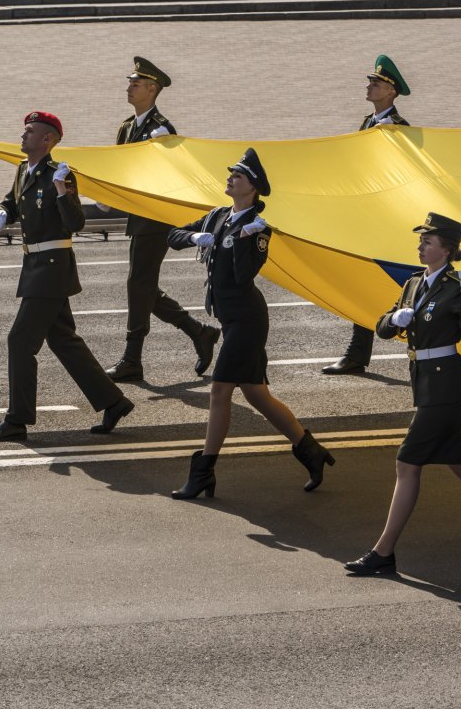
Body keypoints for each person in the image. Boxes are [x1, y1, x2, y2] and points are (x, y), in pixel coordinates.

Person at [344, 214, 461, 576]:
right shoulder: (413, 283)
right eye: (421, 241)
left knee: (406, 463)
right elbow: (381, 326)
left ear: (447, 249)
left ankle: (383, 552)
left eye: (427, 241)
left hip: (446, 385)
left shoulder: (457, 286)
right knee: (460, 464)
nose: (420, 246)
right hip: (424, 380)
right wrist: (394, 321)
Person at [167, 148, 335, 498]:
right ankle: (310, 451)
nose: (230, 178)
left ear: (252, 188)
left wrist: (245, 244)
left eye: (238, 176)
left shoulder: (257, 229)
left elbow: (243, 277)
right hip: (231, 319)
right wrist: (195, 237)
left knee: (219, 390)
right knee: (257, 395)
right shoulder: (217, 216)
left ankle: (203, 472)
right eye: (230, 173)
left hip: (248, 319)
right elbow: (173, 236)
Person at [0, 112, 134, 441]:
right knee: (63, 340)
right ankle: (113, 401)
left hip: (51, 266)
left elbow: (76, 223)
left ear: (47, 140)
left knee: (20, 340)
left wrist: (63, 190)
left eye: (30, 131)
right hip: (34, 266)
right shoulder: (23, 170)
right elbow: (11, 202)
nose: (23, 135)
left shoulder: (59, 175)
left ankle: (17, 420)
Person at [102, 57, 220, 383]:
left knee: (138, 283)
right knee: (144, 286)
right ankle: (199, 332)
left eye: (135, 83)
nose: (129, 87)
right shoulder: (127, 127)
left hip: (156, 219)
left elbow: (173, 175)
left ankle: (132, 358)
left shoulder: (162, 129)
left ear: (152, 89)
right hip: (138, 216)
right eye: (130, 82)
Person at [322, 55, 411, 376]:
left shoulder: (398, 129)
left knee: (411, 289)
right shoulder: (368, 123)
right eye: (370, 82)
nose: (369, 87)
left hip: (388, 222)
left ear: (391, 92)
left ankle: (452, 346)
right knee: (361, 286)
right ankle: (356, 354)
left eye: (376, 83)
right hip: (365, 218)